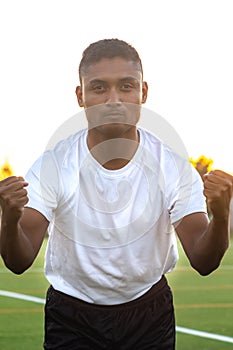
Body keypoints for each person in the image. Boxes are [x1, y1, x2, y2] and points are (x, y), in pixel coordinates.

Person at [0, 39, 232, 350]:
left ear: (143, 92)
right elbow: (19, 260)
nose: (114, 99)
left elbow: (204, 261)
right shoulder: (54, 165)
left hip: (149, 313)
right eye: (98, 88)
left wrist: (220, 214)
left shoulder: (173, 166)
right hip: (71, 315)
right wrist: (10, 218)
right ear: (81, 96)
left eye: (126, 86)